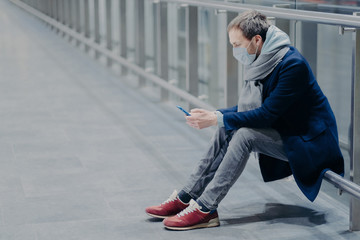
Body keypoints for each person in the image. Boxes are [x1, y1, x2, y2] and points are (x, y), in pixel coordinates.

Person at [145, 10, 344, 231]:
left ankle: (206, 209)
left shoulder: (291, 65)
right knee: (225, 126)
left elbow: (266, 114)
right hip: (286, 131)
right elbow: (249, 110)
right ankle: (186, 196)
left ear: (257, 40)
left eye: (237, 44)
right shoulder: (262, 59)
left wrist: (218, 118)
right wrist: (215, 116)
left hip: (309, 142)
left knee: (243, 134)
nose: (234, 51)